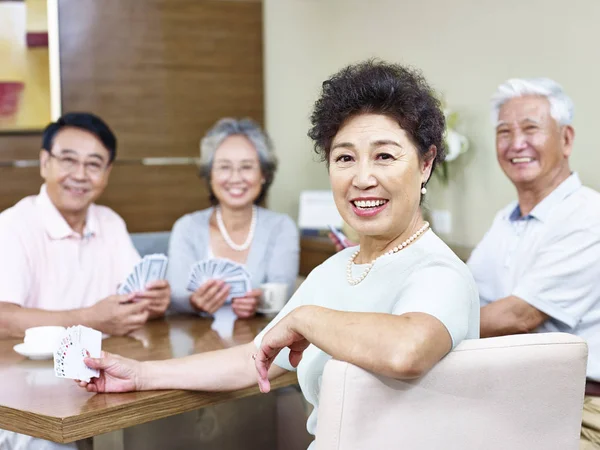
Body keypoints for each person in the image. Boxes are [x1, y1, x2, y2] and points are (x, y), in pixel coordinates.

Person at [78, 60, 480, 449]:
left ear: (426, 164)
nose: (362, 178)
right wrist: (142, 374)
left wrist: (305, 319)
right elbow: (258, 357)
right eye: (344, 158)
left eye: (385, 156)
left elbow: (406, 350)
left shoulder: (438, 270)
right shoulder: (337, 270)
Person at [0, 113, 171, 449]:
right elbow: (3, 318)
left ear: (107, 173)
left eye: (94, 164)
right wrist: (89, 318)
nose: (79, 175)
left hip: (98, 378)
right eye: (67, 160)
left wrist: (154, 301)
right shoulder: (13, 227)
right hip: (24, 393)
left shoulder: (109, 222)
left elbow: (133, 297)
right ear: (44, 163)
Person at [466, 78, 600, 449]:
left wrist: (422, 329)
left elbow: (519, 316)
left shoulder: (590, 216)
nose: (515, 143)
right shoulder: (504, 220)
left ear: (566, 139)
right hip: (505, 398)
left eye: (530, 129)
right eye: (504, 132)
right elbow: (466, 292)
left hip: (581, 410)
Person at [167, 118, 299, 319]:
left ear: (263, 174)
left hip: (260, 343)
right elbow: (175, 295)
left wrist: (259, 302)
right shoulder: (186, 227)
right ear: (210, 174)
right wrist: (194, 302)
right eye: (224, 167)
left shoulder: (282, 227)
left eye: (246, 167)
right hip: (197, 343)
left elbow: (283, 294)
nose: (236, 178)